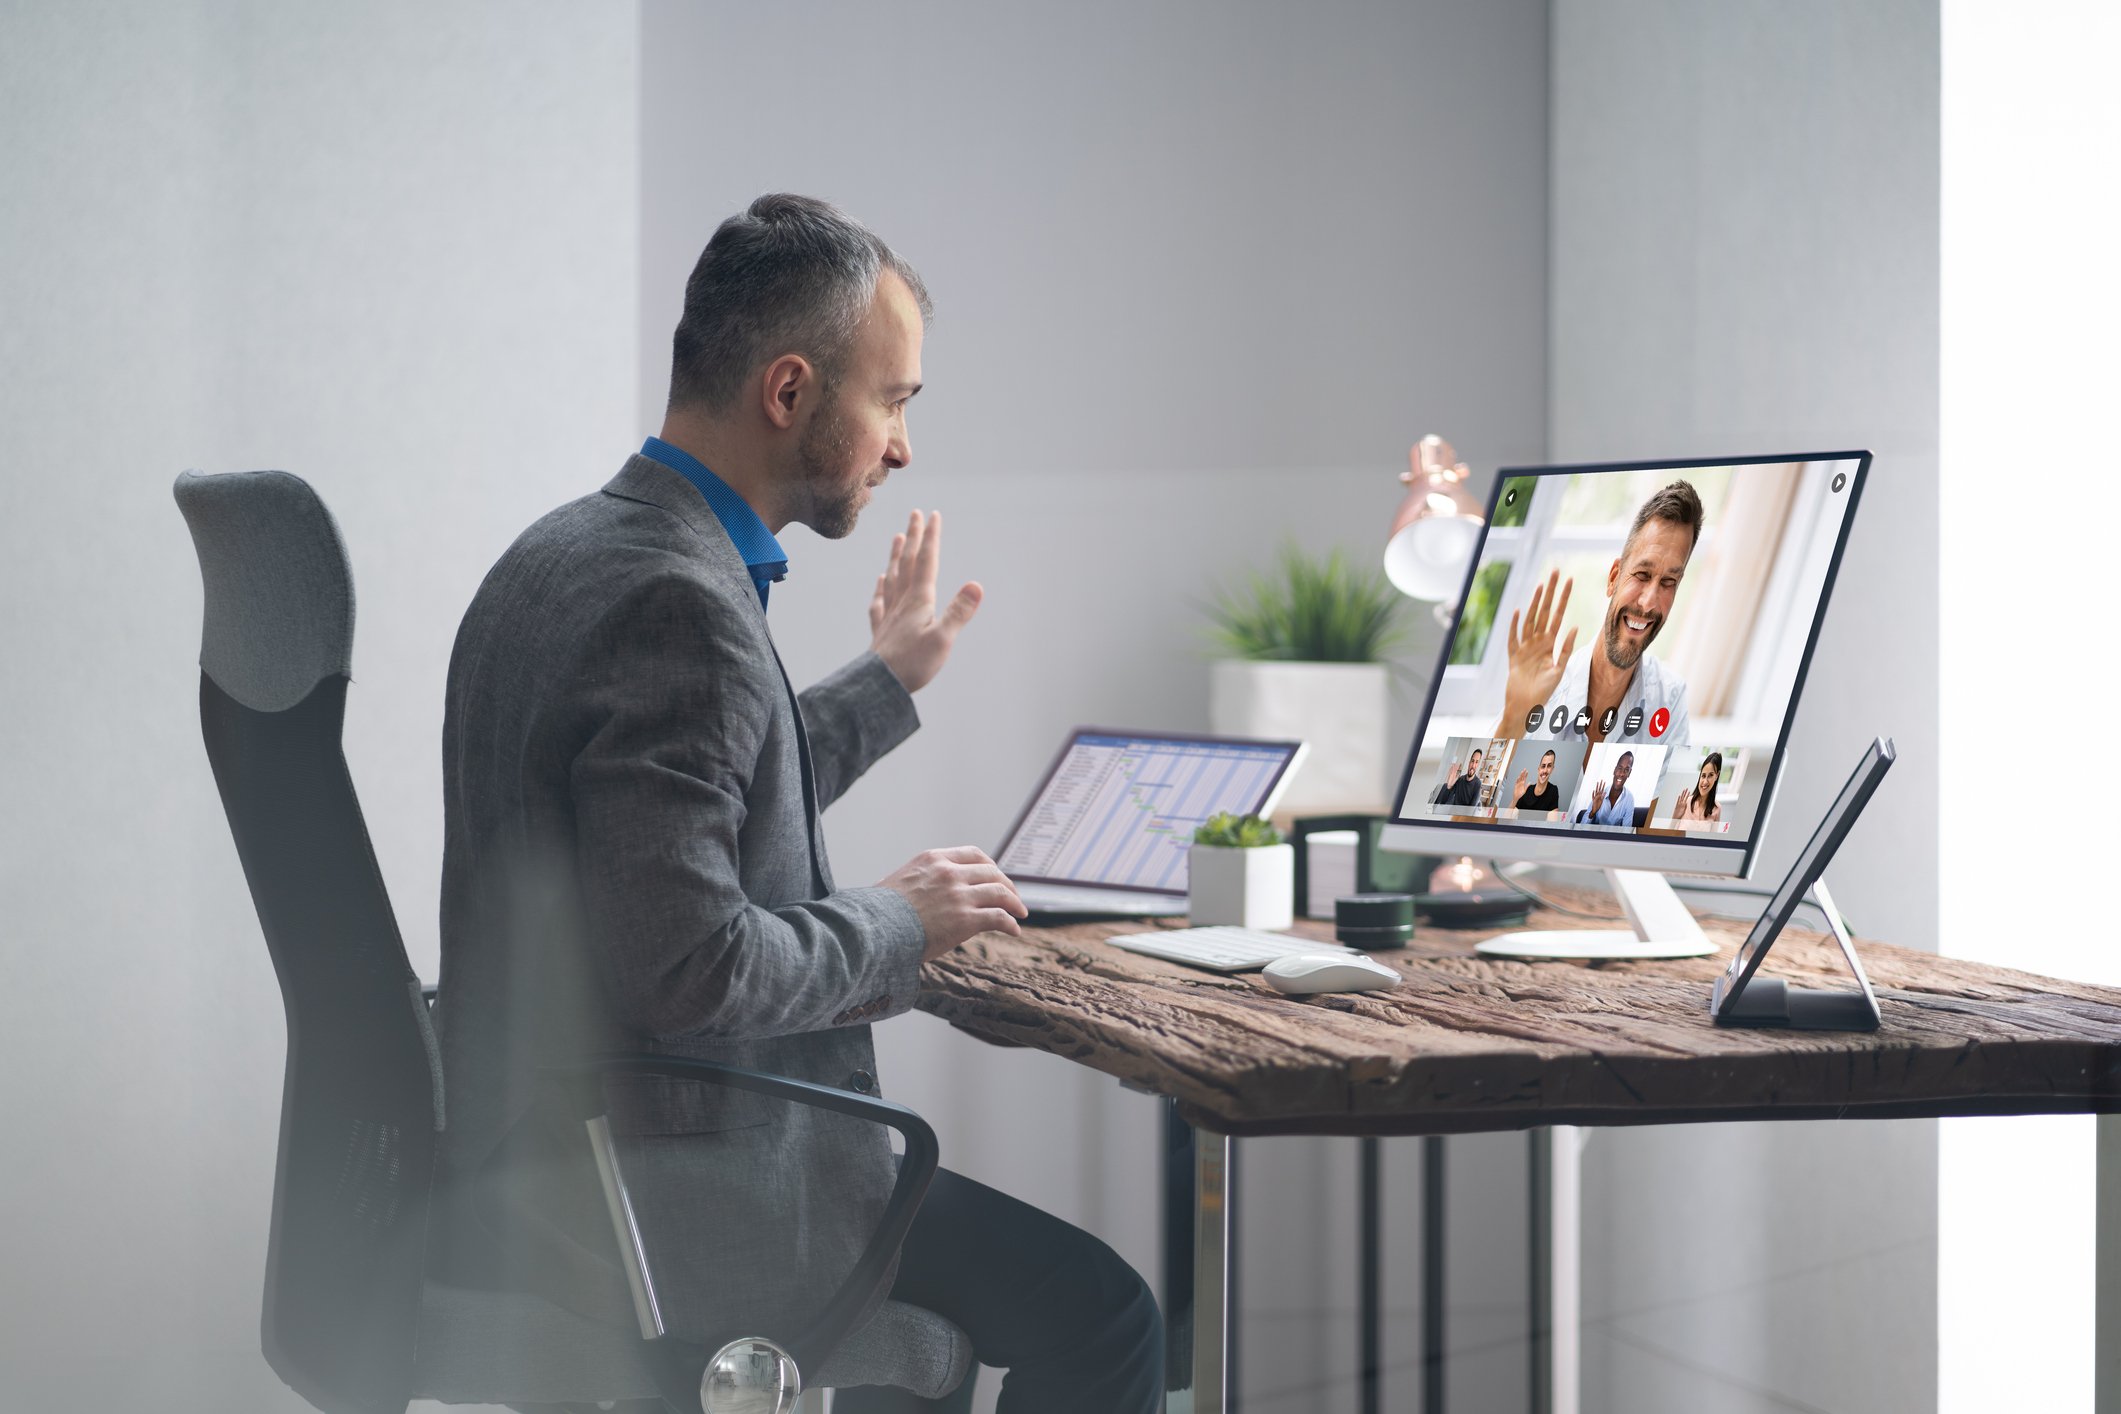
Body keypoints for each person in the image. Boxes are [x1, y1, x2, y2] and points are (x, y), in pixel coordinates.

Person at [434, 194, 1161, 1413]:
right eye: (895, 401)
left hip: (559, 1161)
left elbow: (684, 807)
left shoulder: (571, 552)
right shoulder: (679, 605)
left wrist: (886, 685)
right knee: (1111, 1320)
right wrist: (901, 919)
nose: (902, 447)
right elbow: (692, 969)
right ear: (788, 391)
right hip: (684, 1187)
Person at [1494, 480, 1703, 749]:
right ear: (1614, 578)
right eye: (1642, 575)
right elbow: (1475, 791)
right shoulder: (1544, 691)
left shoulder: (1670, 700)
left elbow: (1676, 793)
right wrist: (1514, 719)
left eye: (1668, 582)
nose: (1649, 602)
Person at [1580, 750, 1638, 826]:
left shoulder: (1629, 799)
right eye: (1620, 768)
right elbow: (1582, 825)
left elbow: (1627, 830)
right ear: (1614, 770)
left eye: (1626, 770)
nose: (1621, 773)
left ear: (1629, 773)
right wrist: (1592, 813)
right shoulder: (1600, 794)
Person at [1670, 750, 1725, 824]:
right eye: (1703, 775)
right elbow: (1670, 834)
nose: (1705, 781)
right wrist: (1675, 817)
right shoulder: (1686, 802)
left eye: (1710, 775)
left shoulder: (1717, 809)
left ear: (1717, 775)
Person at [1513, 748, 1562, 813]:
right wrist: (1515, 799)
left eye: (1549, 766)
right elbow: (1508, 819)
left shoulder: (1553, 790)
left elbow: (1552, 821)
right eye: (1543, 766)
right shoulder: (1526, 790)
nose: (1545, 770)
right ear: (1538, 769)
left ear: (1552, 769)